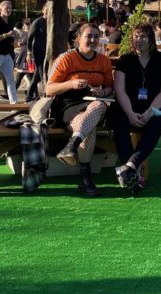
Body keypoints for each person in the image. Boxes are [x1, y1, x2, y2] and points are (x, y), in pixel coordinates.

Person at [45, 23, 114, 197]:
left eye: (96, 36)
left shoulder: (103, 60)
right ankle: (85, 177)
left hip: (93, 104)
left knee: (98, 105)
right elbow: (49, 89)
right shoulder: (67, 58)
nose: (93, 40)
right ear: (78, 38)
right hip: (68, 106)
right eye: (89, 36)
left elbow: (109, 87)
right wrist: (71, 84)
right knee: (88, 129)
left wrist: (102, 91)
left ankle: (72, 146)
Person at [110, 22, 161, 195]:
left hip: (154, 108)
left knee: (159, 119)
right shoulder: (125, 60)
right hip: (127, 106)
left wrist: (147, 113)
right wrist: (130, 114)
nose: (139, 40)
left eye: (143, 36)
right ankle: (134, 174)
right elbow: (120, 90)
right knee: (120, 121)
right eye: (136, 36)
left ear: (151, 39)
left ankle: (130, 166)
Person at [25, 2, 50, 102]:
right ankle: (46, 95)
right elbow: (30, 38)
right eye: (46, 9)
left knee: (37, 76)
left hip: (48, 51)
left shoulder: (52, 22)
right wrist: (29, 52)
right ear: (43, 10)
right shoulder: (38, 22)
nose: (48, 11)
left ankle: (29, 95)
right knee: (42, 73)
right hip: (38, 51)